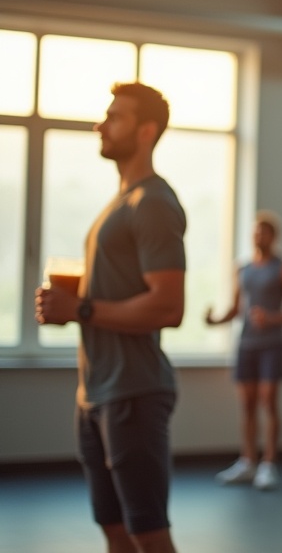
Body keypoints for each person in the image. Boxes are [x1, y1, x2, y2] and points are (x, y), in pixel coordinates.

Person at [35, 82, 185, 553]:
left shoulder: (153, 204)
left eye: (114, 117)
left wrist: (80, 307)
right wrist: (77, 301)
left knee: (147, 533)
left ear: (146, 131)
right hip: (96, 392)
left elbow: (168, 306)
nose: (101, 125)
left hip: (134, 391)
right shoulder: (119, 204)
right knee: (115, 530)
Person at [205, 210, 282, 491]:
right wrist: (215, 320)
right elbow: (237, 309)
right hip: (246, 344)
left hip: (272, 345)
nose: (258, 236)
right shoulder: (242, 269)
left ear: (274, 236)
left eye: (264, 231)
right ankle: (247, 461)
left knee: (268, 403)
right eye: (255, 232)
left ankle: (269, 464)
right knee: (247, 405)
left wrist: (272, 318)